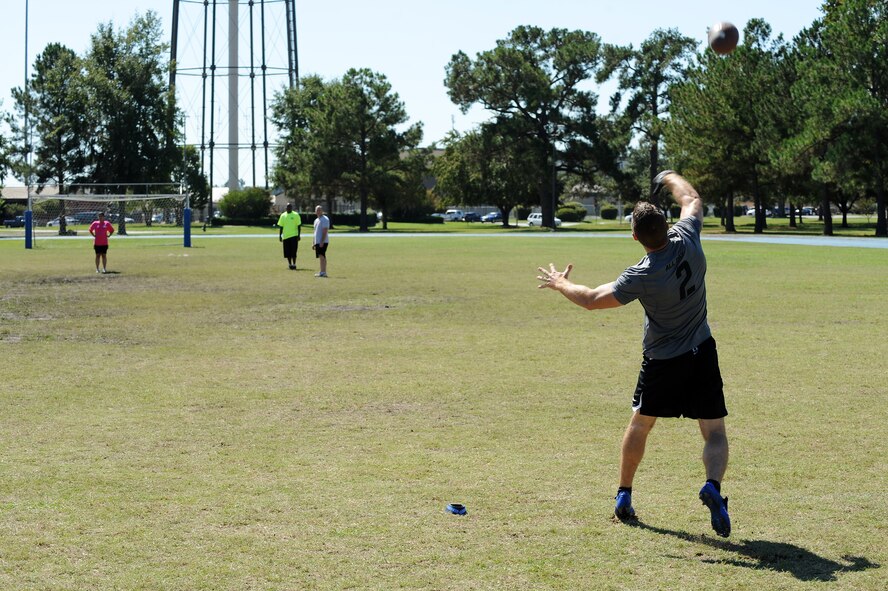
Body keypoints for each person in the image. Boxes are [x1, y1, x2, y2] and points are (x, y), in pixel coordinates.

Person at [536, 170, 731, 538]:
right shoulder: (687, 236)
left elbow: (593, 300)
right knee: (714, 431)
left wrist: (560, 283)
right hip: (702, 350)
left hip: (662, 361)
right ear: (667, 224)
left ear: (635, 237)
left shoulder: (641, 274)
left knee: (641, 424)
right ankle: (713, 487)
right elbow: (691, 200)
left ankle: (624, 494)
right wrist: (671, 177)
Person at [277, 203, 302, 269]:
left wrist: (299, 235)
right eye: (287, 207)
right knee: (287, 252)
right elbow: (281, 227)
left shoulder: (296, 215)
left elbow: (299, 226)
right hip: (286, 237)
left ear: (291, 208)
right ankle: (290, 264)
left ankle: (294, 264)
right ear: (286, 208)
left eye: (290, 207)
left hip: (294, 236)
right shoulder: (283, 215)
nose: (288, 208)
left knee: (294, 251)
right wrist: (280, 236)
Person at [312, 205, 330, 277]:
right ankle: (322, 271)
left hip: (323, 241)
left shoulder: (325, 219)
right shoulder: (316, 220)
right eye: (317, 210)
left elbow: (325, 231)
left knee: (322, 256)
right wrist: (313, 242)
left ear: (322, 211)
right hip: (317, 241)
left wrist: (322, 241)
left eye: (319, 210)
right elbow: (315, 232)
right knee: (320, 256)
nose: (318, 211)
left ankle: (323, 272)